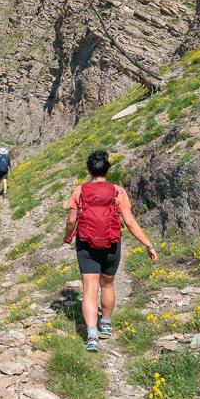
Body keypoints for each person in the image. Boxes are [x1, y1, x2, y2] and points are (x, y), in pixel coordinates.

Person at [64, 150, 157, 352]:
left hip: (86, 245)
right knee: (107, 285)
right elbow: (130, 222)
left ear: (89, 170)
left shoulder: (79, 191)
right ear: (108, 169)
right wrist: (148, 244)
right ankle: (105, 323)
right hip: (111, 244)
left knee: (89, 290)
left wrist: (67, 236)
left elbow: (72, 220)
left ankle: (91, 335)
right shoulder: (119, 192)